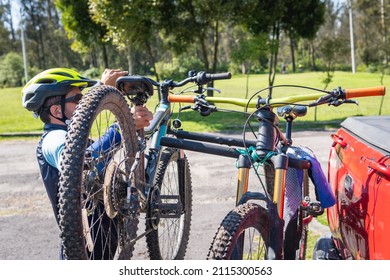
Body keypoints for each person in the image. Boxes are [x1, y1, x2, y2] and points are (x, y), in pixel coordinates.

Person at [21, 68, 153, 259]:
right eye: (77, 100)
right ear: (56, 110)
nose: (83, 103)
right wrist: (121, 126)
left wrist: (102, 91)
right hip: (83, 252)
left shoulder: (71, 137)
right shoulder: (53, 139)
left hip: (101, 245)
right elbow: (85, 165)